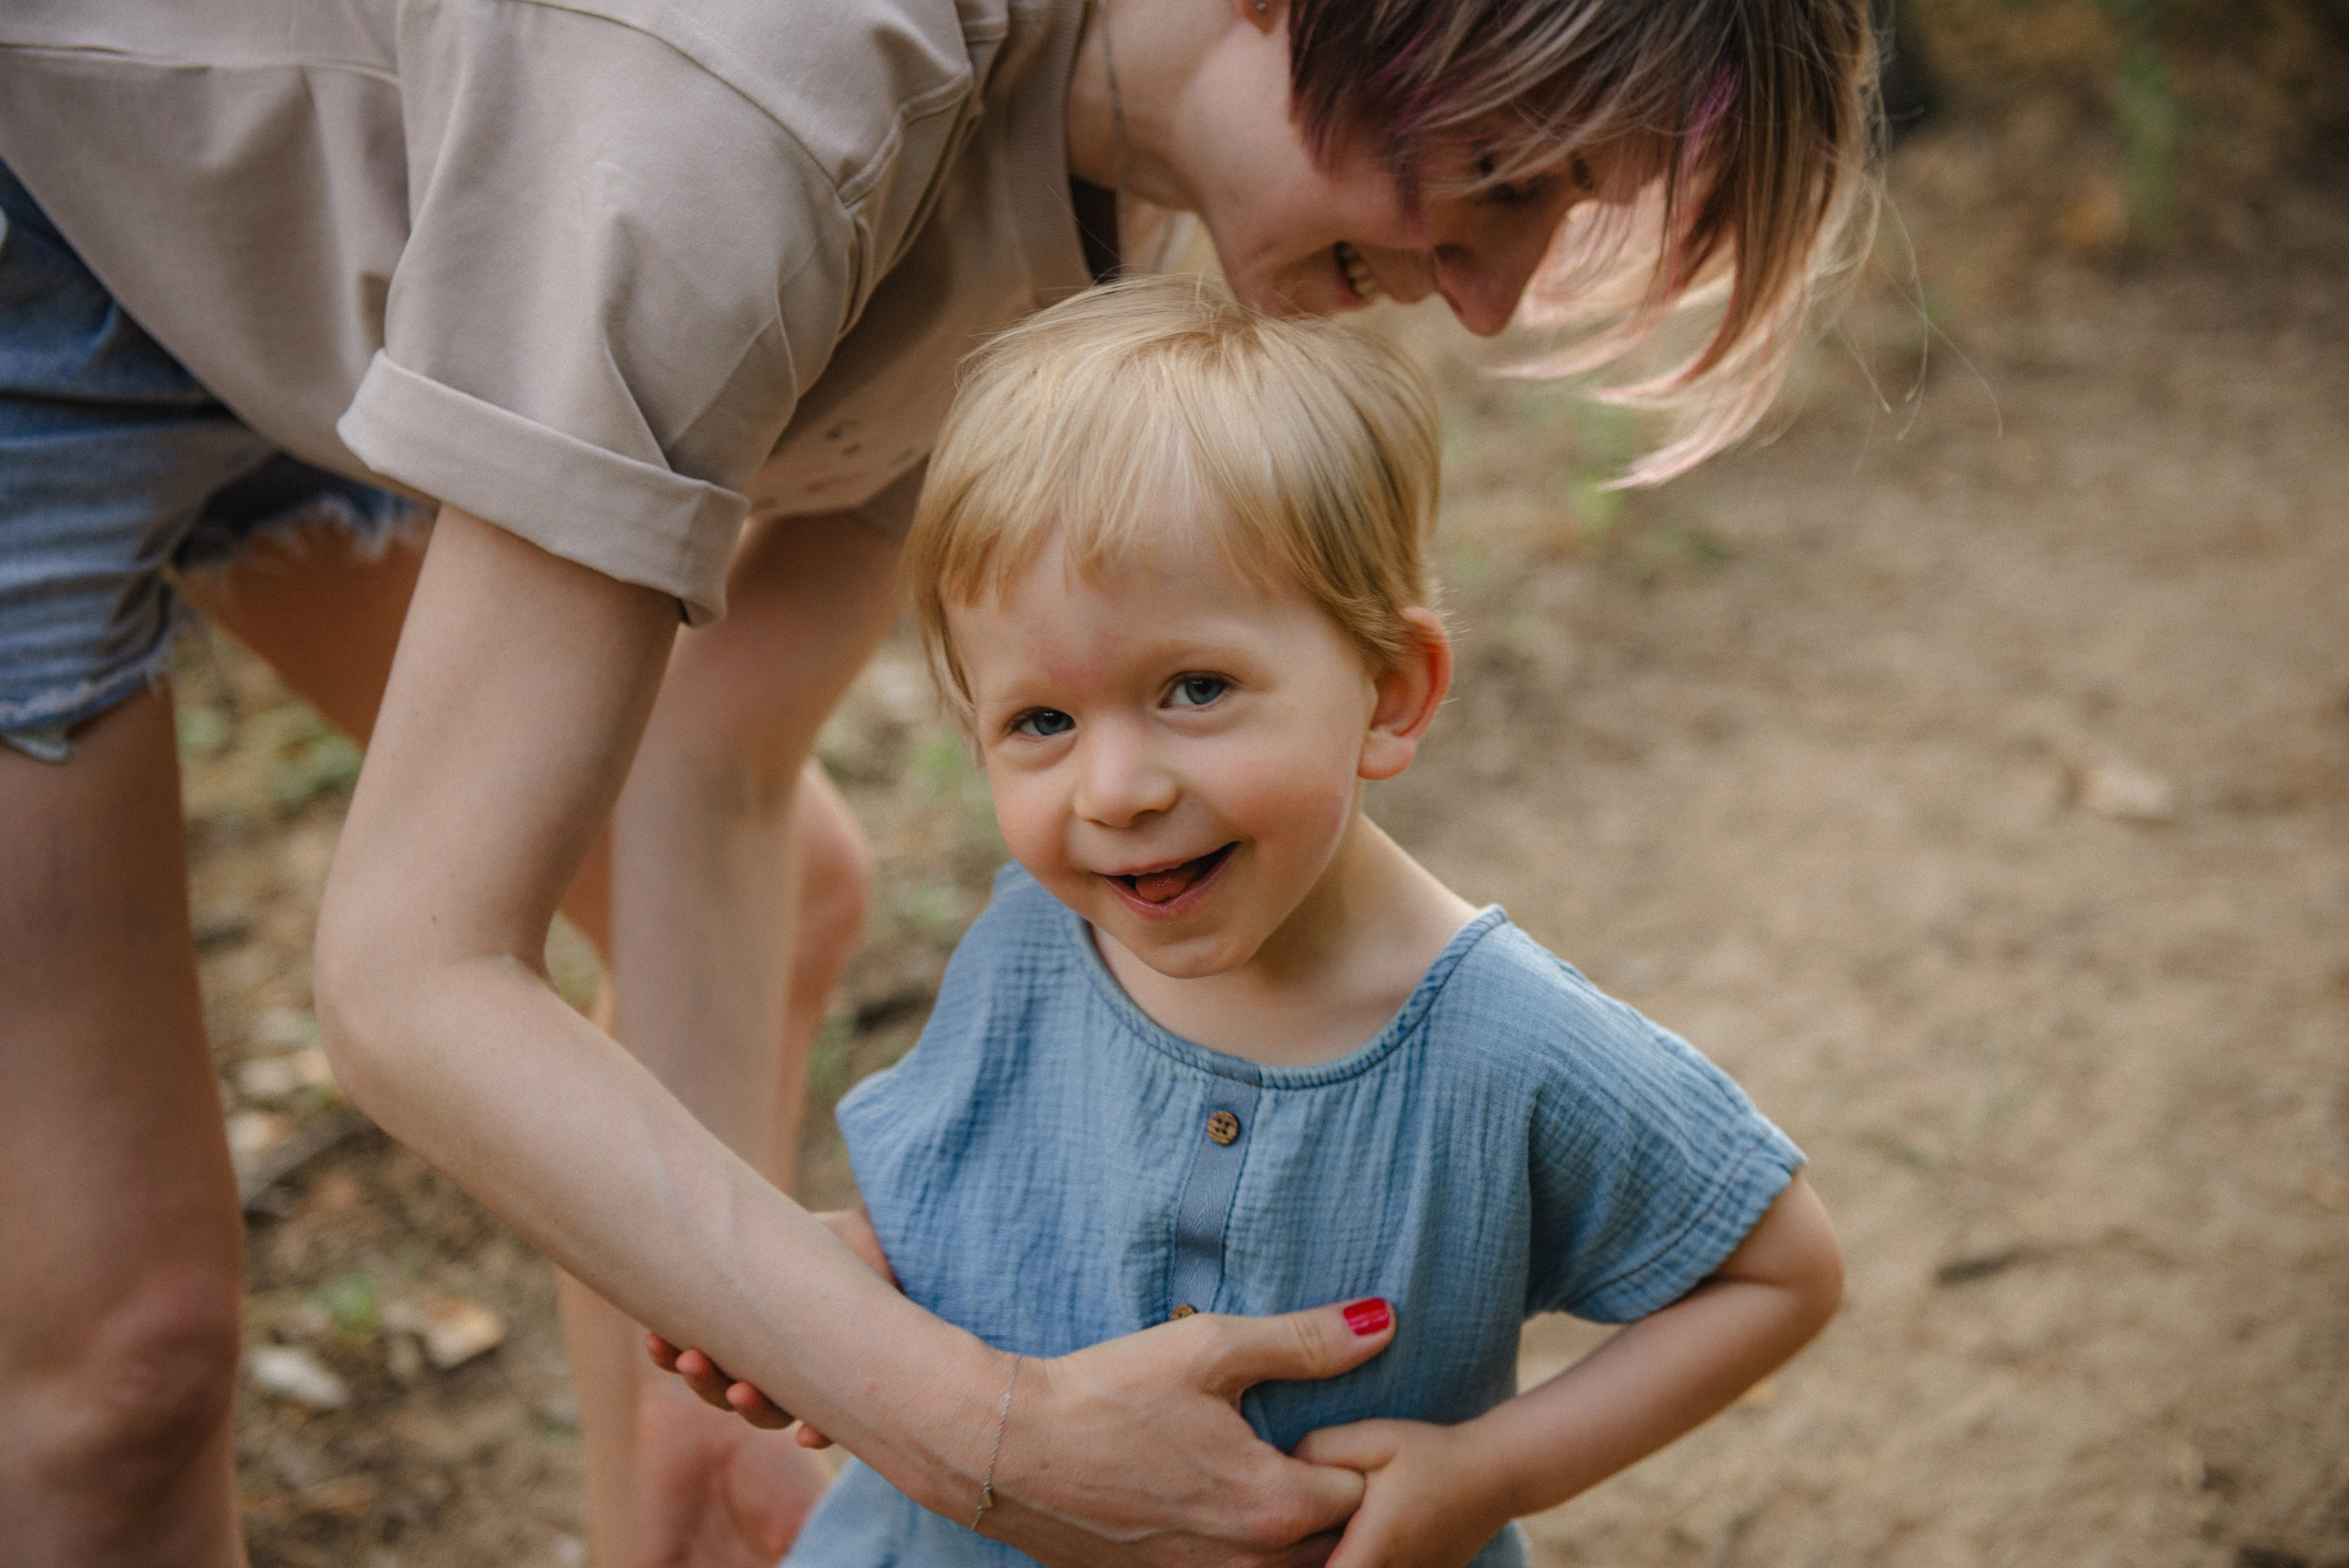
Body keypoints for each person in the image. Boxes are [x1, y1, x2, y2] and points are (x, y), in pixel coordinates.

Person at [0, 1, 1875, 1564]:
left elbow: (704, 757)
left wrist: (676, 1458)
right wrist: (972, 1430)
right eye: (1512, 177)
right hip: (54, 232)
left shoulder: (1083, 218)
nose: (1485, 300)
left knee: (791, 886)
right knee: (123, 1368)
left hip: (351, 271)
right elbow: (406, 979)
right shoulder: (741, 108)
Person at [656, 277, 1843, 1568]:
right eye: (1041, 720)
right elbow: (968, 1201)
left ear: (1390, 692)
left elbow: (1779, 1271)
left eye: (1195, 686)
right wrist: (842, 1291)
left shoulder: (1506, 1044)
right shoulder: (1034, 939)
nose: (1116, 789)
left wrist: (1487, 1469)